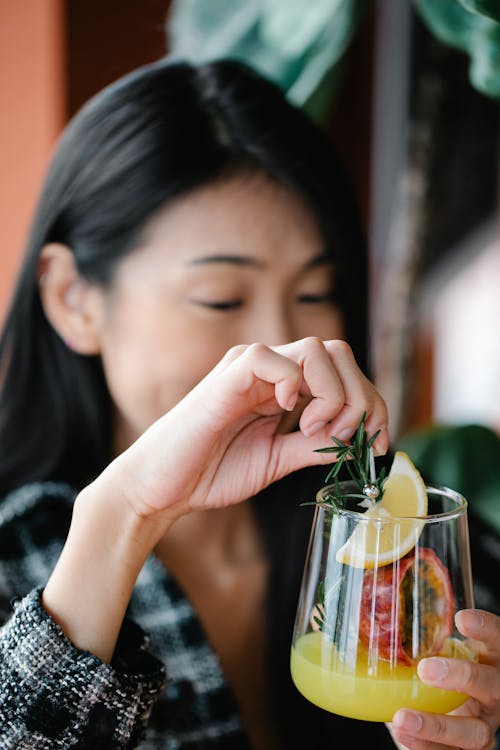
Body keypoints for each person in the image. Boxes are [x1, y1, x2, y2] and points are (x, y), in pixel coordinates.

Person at [0, 58, 498, 750]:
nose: (284, 348)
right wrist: (123, 513)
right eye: (222, 299)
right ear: (72, 298)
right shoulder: (11, 566)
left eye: (316, 295)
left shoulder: (410, 554)